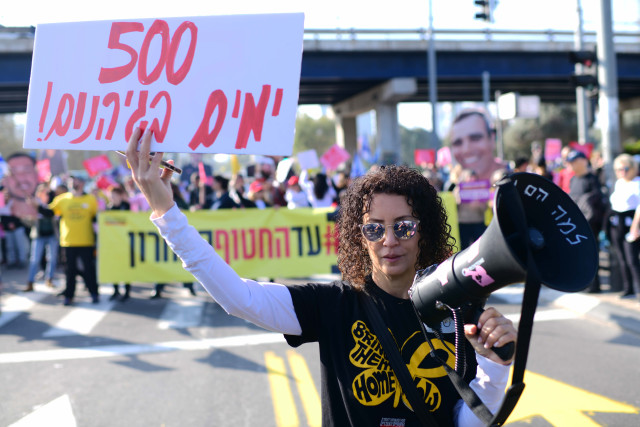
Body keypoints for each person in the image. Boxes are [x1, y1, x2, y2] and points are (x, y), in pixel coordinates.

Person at [126, 127, 516, 426]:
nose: (389, 240)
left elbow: (463, 422)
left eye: (405, 227)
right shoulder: (333, 305)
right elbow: (237, 297)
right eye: (374, 229)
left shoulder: (460, 314)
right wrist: (165, 209)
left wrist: (494, 369)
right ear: (357, 238)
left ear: (424, 231)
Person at [49, 176, 99, 306]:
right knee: (69, 271)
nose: (72, 182)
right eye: (71, 180)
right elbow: (49, 212)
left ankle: (94, 293)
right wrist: (36, 205)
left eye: (75, 180)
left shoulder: (90, 199)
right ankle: (69, 296)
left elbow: (97, 218)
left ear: (82, 183)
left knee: (89, 269)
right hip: (68, 241)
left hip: (86, 241)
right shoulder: (62, 199)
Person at [566, 150, 606, 293]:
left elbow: (597, 199)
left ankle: (595, 285)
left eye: (575, 161)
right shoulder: (573, 180)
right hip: (577, 223)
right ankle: (586, 283)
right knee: (581, 254)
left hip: (591, 223)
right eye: (571, 162)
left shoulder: (592, 178)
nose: (572, 165)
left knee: (592, 253)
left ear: (583, 161)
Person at [609, 154, 640, 301]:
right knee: (622, 258)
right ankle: (628, 288)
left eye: (625, 168)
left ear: (632, 168)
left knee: (632, 259)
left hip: (631, 222)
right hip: (617, 222)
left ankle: (638, 288)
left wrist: (635, 226)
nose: (621, 172)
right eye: (618, 169)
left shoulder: (637, 183)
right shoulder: (619, 183)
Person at [449, 109, 505, 182]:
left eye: (475, 138)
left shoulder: (514, 181)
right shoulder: (452, 186)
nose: (466, 150)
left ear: (492, 139)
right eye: (458, 143)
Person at [25, 183, 59, 291]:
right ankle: (30, 282)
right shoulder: (33, 204)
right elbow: (26, 221)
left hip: (52, 234)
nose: (45, 194)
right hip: (39, 235)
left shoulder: (53, 203)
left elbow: (55, 216)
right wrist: (32, 217)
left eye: (47, 192)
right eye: (42, 192)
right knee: (34, 259)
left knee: (52, 258)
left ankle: (49, 279)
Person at [107, 185, 132, 301]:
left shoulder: (126, 206)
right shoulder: (109, 208)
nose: (113, 198)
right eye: (112, 196)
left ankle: (127, 291)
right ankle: (115, 289)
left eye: (115, 195)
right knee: (113, 267)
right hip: (114, 242)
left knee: (125, 267)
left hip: (125, 242)